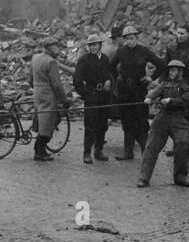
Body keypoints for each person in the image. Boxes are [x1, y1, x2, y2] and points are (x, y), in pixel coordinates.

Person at [109, 25, 164, 161]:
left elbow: (161, 64)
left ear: (136, 38)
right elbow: (111, 65)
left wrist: (151, 77)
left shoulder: (143, 50)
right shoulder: (121, 51)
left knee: (141, 119)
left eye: (132, 38)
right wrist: (118, 77)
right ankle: (128, 151)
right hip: (124, 91)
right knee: (127, 120)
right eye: (127, 39)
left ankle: (146, 151)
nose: (130, 41)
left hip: (139, 90)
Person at [137, 61, 189, 188]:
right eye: (170, 70)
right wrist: (149, 97)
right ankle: (144, 178)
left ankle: (180, 177)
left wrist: (171, 101)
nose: (171, 72)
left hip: (179, 118)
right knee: (151, 146)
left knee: (183, 144)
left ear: (180, 72)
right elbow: (156, 91)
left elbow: (186, 101)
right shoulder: (165, 84)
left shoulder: (187, 86)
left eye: (174, 70)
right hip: (162, 117)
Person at [161, 24, 189, 158]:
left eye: (183, 33)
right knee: (175, 116)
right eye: (178, 33)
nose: (180, 35)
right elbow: (166, 67)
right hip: (173, 86)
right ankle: (176, 145)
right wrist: (164, 82)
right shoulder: (171, 48)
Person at [72, 32, 113, 163]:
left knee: (102, 124)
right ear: (88, 47)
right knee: (90, 125)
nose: (93, 48)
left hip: (104, 97)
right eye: (91, 45)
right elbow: (77, 81)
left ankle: (99, 151)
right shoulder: (84, 60)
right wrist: (86, 95)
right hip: (92, 96)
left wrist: (109, 81)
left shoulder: (105, 59)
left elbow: (110, 74)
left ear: (100, 45)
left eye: (95, 45)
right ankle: (87, 153)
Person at [30, 36, 70, 162]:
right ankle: (39, 151)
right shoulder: (51, 62)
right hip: (48, 96)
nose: (57, 49)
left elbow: (30, 79)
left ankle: (41, 150)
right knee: (48, 124)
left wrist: (37, 88)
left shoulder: (35, 57)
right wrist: (64, 99)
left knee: (42, 121)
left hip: (37, 94)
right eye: (56, 47)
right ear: (50, 48)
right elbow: (57, 85)